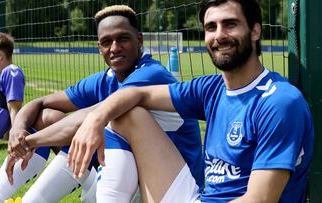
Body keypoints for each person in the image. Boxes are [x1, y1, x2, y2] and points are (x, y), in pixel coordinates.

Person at [67, 0, 314, 202]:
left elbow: (259, 200)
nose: (220, 35)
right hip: (200, 199)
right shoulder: (212, 88)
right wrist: (94, 120)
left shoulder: (279, 102)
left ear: (255, 31)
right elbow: (136, 94)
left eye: (230, 24)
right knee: (127, 113)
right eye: (211, 27)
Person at [0, 5, 204, 203]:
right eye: (106, 42)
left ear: (140, 40)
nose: (114, 47)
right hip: (128, 178)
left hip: (171, 185)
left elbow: (94, 116)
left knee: (109, 119)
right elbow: (39, 102)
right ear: (99, 48)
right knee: (47, 116)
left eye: (122, 38)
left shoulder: (151, 74)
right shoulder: (105, 78)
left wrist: (29, 143)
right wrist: (18, 129)